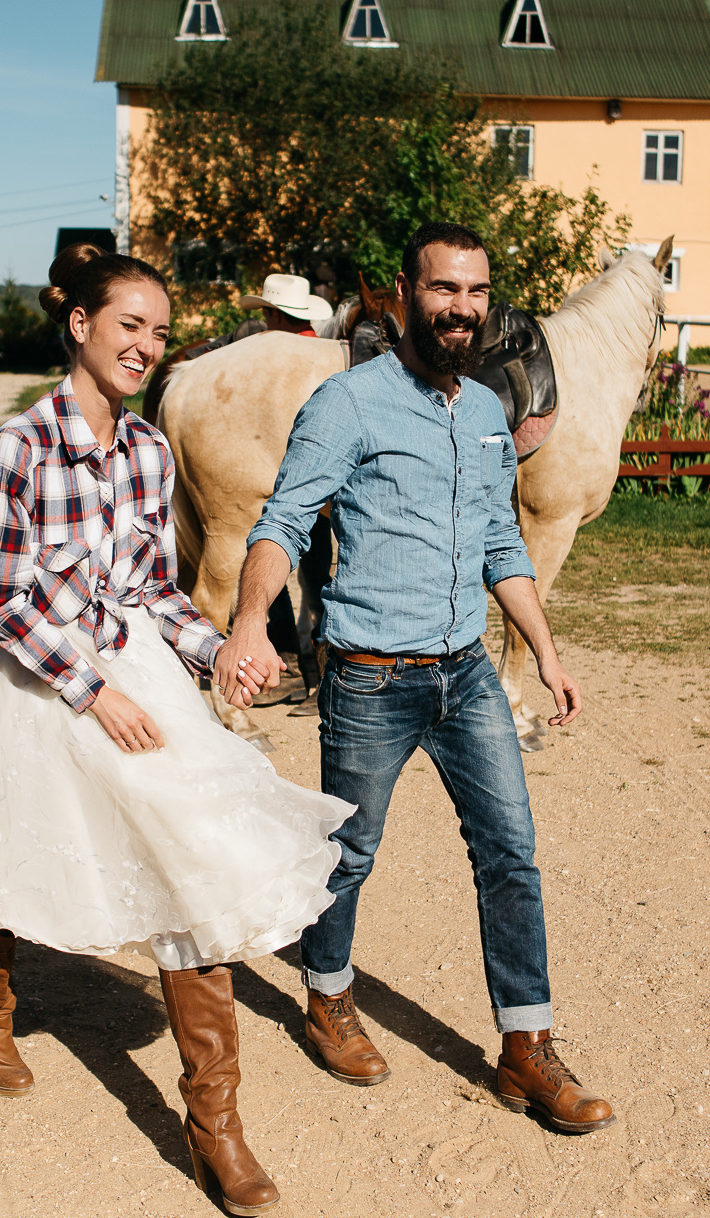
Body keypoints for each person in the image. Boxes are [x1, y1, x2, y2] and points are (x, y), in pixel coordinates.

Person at [0, 243, 352, 1216]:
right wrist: (91, 691)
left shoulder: (151, 452)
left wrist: (217, 656)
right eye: (129, 325)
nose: (145, 347)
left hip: (134, 669)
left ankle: (215, 1126)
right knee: (16, 842)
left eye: (159, 334)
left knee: (186, 851)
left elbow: (153, 591)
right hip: (38, 675)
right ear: (77, 323)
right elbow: (4, 601)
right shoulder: (18, 448)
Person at [214, 222, 615, 1135]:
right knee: (349, 855)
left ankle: (525, 1047)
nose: (461, 309)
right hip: (369, 678)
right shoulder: (347, 405)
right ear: (405, 293)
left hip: (466, 673)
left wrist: (545, 650)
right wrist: (246, 621)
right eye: (443, 290)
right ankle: (326, 994)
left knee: (510, 854)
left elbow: (502, 543)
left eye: (475, 292)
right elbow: (282, 522)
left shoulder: (483, 411)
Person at [235, 274, 335, 339]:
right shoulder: (329, 348)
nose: (266, 325)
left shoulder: (270, 350)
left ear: (276, 315)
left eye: (265, 315)